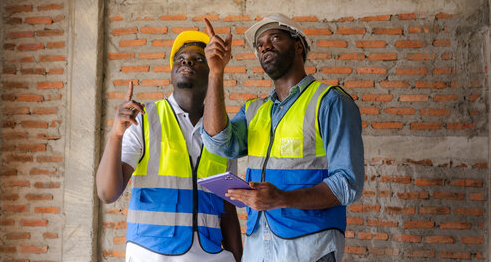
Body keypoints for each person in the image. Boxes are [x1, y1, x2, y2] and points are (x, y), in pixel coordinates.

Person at [201, 14, 364, 262]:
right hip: (258, 243)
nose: (265, 46)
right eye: (260, 44)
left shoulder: (330, 102)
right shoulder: (255, 110)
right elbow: (218, 142)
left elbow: (348, 183)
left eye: (275, 37)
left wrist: (282, 199)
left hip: (310, 243)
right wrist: (215, 73)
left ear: (298, 45)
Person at [96, 30, 243, 262]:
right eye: (180, 59)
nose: (187, 61)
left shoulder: (222, 133)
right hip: (151, 255)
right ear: (171, 75)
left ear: (213, 71)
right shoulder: (144, 120)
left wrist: (237, 257)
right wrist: (116, 134)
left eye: (199, 58)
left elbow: (226, 208)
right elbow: (107, 192)